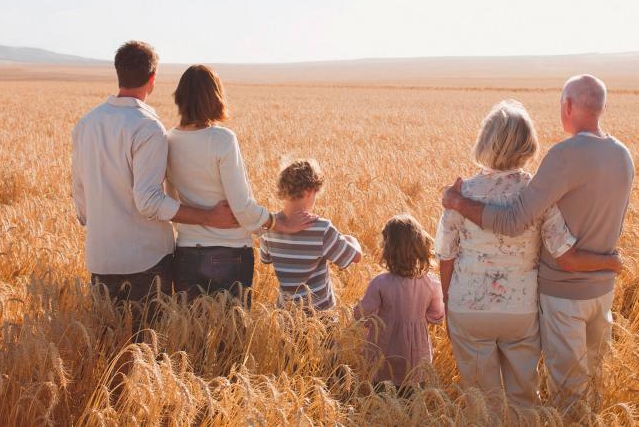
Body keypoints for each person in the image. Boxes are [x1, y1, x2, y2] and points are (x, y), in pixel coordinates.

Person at [441, 75, 634, 409]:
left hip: (482, 305)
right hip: (536, 305)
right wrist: (611, 262)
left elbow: (449, 251)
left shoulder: (464, 193)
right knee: (530, 397)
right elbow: (562, 247)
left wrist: (448, 300)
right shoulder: (616, 158)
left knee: (482, 400)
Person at [71, 42, 237, 318]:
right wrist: (208, 217)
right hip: (146, 261)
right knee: (149, 349)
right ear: (152, 79)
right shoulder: (147, 127)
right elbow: (148, 201)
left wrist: (102, 226)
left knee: (107, 350)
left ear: (119, 73)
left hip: (100, 257)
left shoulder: (87, 123)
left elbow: (79, 190)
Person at [165, 65, 316, 307]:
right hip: (228, 253)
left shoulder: (169, 140)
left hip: (185, 252)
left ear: (180, 97)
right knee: (231, 340)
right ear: (215, 97)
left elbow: (171, 203)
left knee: (190, 339)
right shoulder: (222, 139)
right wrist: (280, 223)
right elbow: (241, 207)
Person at [355, 214, 445, 393]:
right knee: (413, 399)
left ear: (388, 249)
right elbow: (438, 316)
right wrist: (417, 317)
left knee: (382, 394)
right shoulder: (431, 283)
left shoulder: (380, 283)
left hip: (383, 351)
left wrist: (360, 311)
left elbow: (361, 316)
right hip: (417, 354)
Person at [259, 159, 361, 312]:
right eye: (315, 194)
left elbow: (265, 259)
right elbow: (356, 256)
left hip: (285, 316)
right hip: (320, 318)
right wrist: (351, 239)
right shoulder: (322, 229)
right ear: (308, 191)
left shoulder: (270, 227)